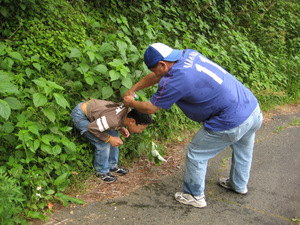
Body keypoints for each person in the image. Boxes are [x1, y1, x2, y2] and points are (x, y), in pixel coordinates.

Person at [123, 43, 263, 207]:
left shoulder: (177, 79)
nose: (153, 73)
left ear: (162, 64)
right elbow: (159, 75)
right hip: (252, 109)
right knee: (243, 149)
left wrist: (132, 102)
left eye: (154, 69)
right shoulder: (187, 54)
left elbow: (151, 108)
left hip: (231, 120)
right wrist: (133, 89)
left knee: (196, 152)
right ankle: (239, 185)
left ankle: (194, 195)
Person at [71, 99, 152, 183]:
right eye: (141, 128)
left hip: (95, 112)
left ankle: (112, 165)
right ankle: (102, 172)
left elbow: (114, 118)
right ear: (132, 121)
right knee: (103, 142)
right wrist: (109, 138)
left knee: (114, 135)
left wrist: (121, 128)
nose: (141, 131)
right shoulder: (113, 120)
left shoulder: (127, 112)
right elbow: (92, 128)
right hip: (81, 115)